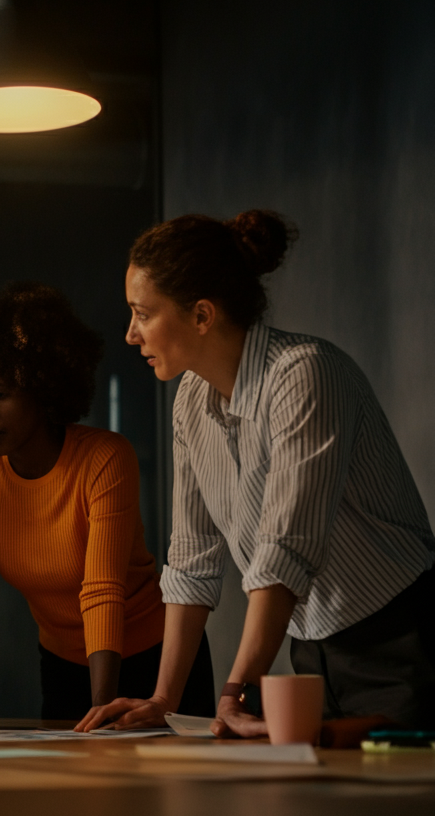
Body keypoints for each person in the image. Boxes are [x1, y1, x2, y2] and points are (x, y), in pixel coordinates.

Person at [80, 210, 435, 736]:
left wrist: (235, 690)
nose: (131, 334)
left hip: (403, 639)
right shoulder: (190, 403)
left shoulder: (306, 374)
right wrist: (163, 700)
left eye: (142, 314)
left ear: (202, 315)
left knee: (399, 810)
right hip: (309, 650)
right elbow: (192, 562)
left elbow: (285, 549)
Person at [0, 284, 215, 724]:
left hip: (151, 658)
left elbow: (102, 588)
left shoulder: (104, 457)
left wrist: (101, 708)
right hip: (63, 664)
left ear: (41, 387)